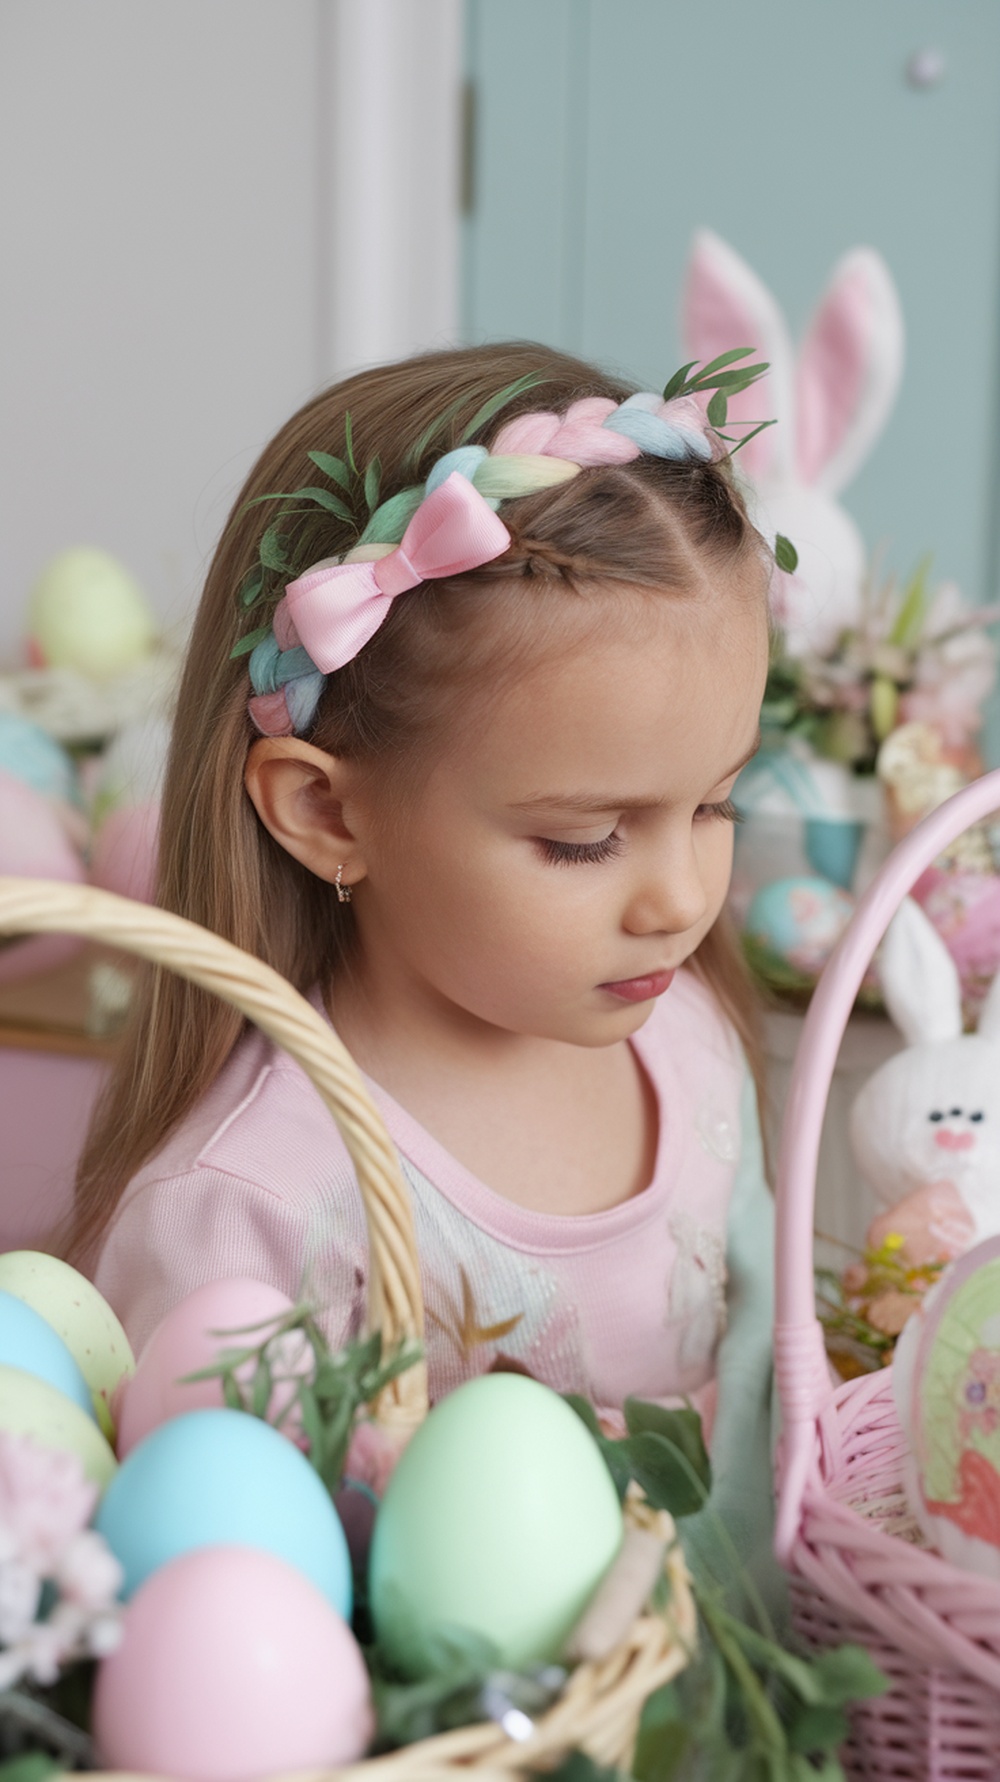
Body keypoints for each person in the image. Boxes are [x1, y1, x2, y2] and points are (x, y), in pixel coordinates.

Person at [77, 342, 777, 1587]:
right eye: (585, 840)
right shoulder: (252, 1214)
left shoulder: (691, 1038)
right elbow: (228, 1623)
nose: (681, 898)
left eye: (716, 805)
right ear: (328, 816)